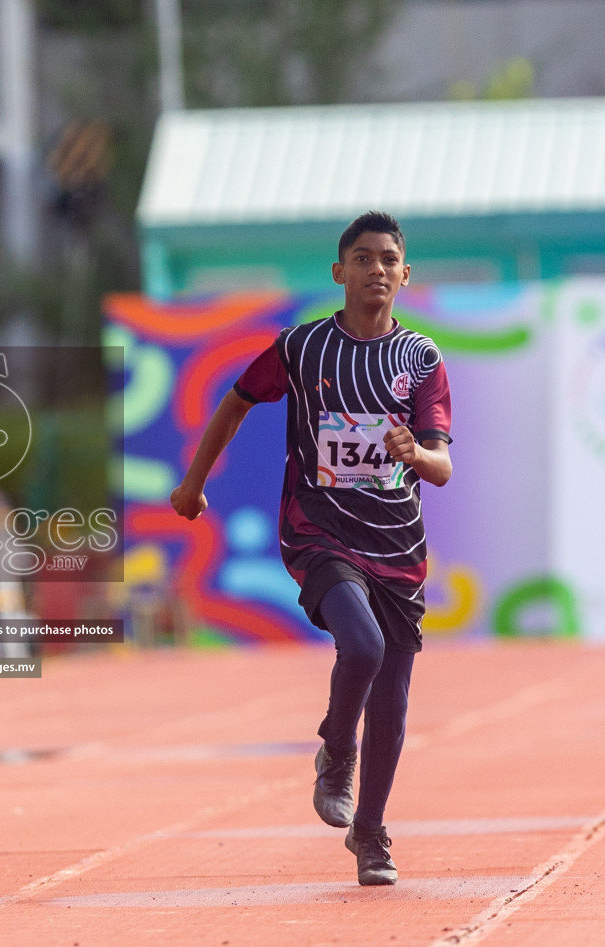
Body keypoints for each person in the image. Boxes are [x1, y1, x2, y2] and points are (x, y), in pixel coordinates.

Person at [170, 212, 453, 887]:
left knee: (391, 702)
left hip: (396, 545)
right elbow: (236, 401)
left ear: (403, 274)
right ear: (339, 272)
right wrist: (191, 483)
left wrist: (416, 451)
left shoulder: (420, 359)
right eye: (362, 257)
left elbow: (441, 465)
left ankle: (371, 834)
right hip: (318, 531)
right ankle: (334, 750)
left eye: (388, 258)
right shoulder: (300, 349)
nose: (375, 269)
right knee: (360, 646)